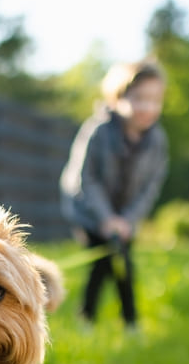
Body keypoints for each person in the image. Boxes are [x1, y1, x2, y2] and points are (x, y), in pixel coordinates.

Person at [59, 59, 169, 330]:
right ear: (119, 98)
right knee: (103, 261)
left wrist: (127, 220)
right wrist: (105, 218)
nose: (147, 107)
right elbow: (86, 178)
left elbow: (150, 187)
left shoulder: (157, 141)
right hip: (89, 211)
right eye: (140, 99)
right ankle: (87, 318)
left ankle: (130, 321)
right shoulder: (98, 131)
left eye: (155, 101)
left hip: (124, 216)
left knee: (125, 263)